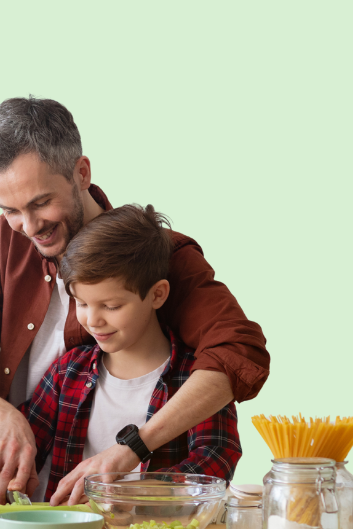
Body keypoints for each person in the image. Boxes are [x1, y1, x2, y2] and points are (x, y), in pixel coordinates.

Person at [0, 97, 269, 504]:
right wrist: (3, 417)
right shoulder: (4, 240)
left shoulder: (157, 254)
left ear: (81, 172)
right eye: (10, 210)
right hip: (38, 512)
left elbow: (238, 352)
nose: (29, 227)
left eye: (40, 203)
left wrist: (132, 453)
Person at [21, 205, 242, 502]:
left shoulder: (196, 379)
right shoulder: (66, 372)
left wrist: (129, 494)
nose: (93, 320)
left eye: (111, 306)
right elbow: (26, 448)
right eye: (81, 303)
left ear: (157, 294)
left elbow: (216, 461)